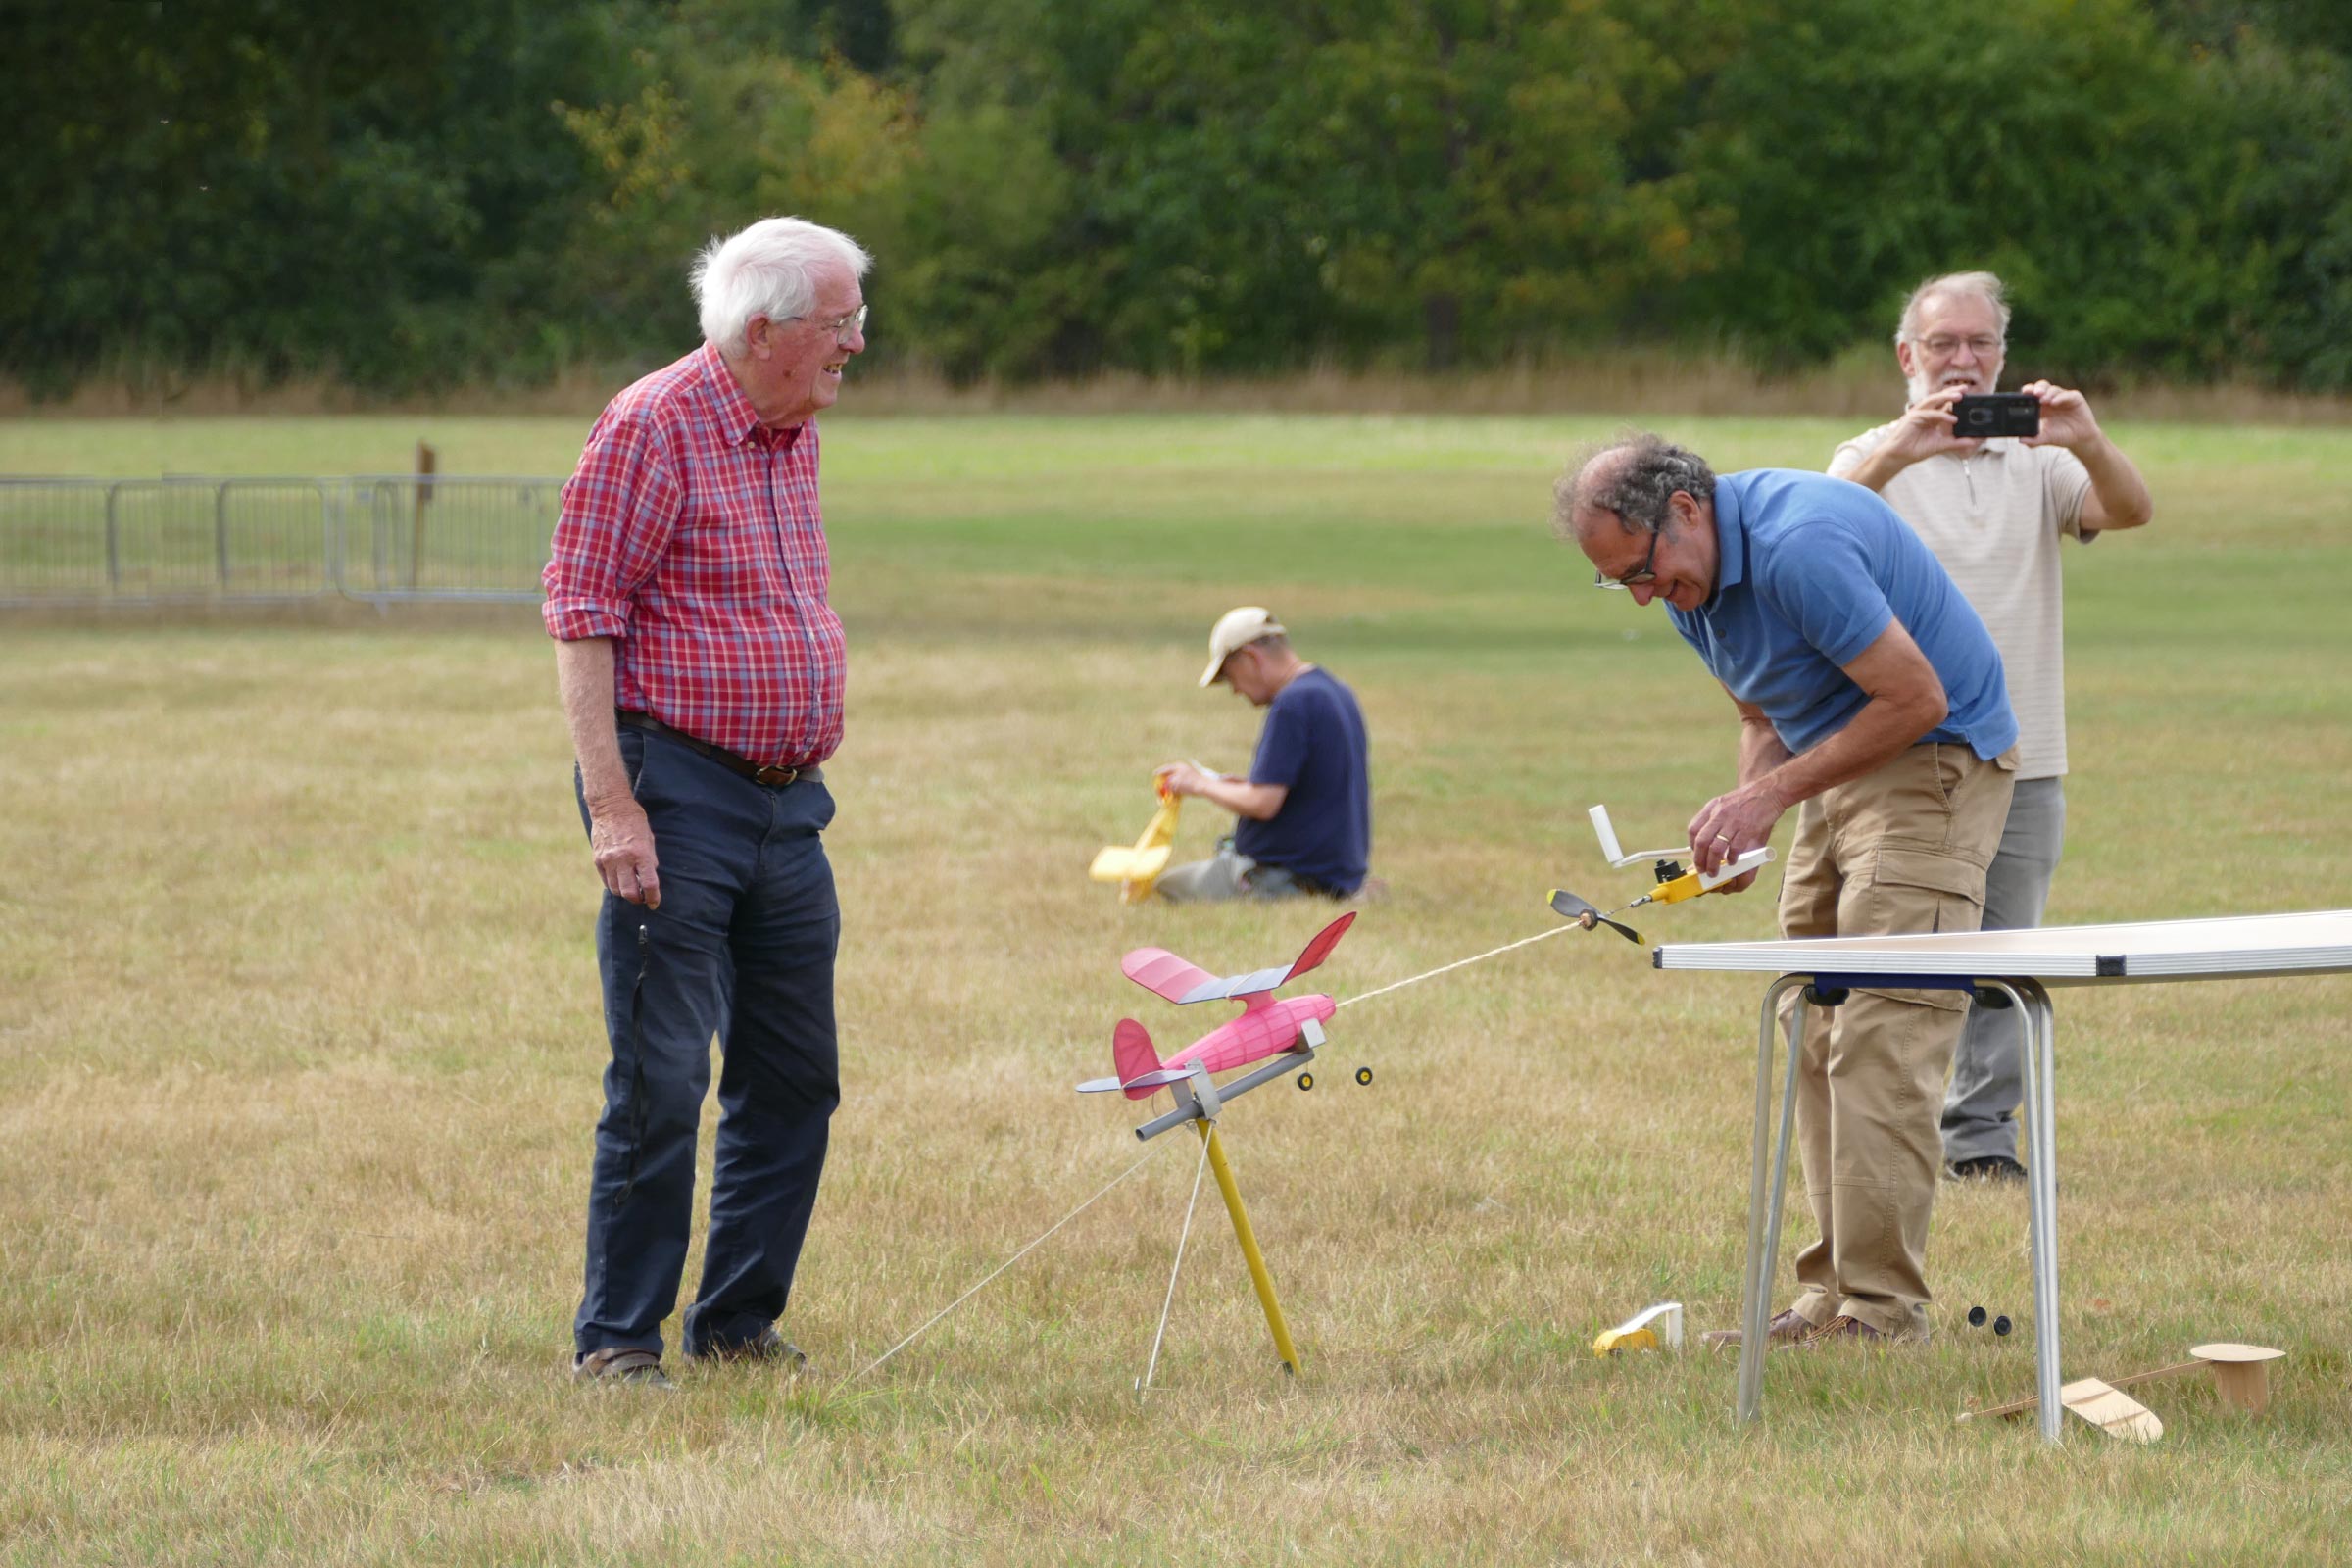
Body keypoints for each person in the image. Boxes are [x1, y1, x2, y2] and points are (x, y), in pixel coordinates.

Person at [1556, 435, 2018, 1347]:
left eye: (1642, 570)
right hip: (1839, 768)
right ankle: (1827, 1298)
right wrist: (1745, 822)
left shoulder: (1799, 544)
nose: (1644, 596)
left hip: (1933, 760)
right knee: (1808, 1022)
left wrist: (1770, 793)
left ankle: (1884, 1315)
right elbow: (1760, 712)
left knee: (1883, 1030)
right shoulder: (1692, 584)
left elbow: (1916, 699)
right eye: (1620, 583)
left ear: (1687, 509)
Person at [540, 216, 870, 1387]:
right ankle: (618, 1340)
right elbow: (582, 615)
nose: (858, 344)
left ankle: (735, 1323)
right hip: (674, 792)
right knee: (664, 1074)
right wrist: (614, 806)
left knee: (793, 1077)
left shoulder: (794, 431)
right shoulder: (649, 427)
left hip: (790, 805)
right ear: (765, 328)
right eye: (840, 324)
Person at [1831, 271, 2153, 1183]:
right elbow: (1819, 523)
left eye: (1981, 346)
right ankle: (1889, 1130)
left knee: (2006, 958)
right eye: (1944, 346)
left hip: (2028, 746)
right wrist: (1905, 447)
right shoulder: (1869, 455)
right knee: (1906, 958)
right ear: (1907, 356)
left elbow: (2129, 510)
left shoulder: (2042, 460)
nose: (1964, 364)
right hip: (1905, 753)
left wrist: (2086, 439)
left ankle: (1981, 1141)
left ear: (2005, 356)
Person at [1152, 607, 1370, 902]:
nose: (1235, 691)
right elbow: (1310, 791)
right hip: (1337, 876)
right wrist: (1233, 785)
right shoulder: (1336, 691)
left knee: (1165, 886)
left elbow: (1263, 803)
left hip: (1289, 878)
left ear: (1251, 658)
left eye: (1230, 677)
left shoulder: (1292, 703)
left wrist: (1198, 784)